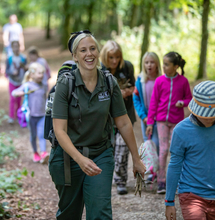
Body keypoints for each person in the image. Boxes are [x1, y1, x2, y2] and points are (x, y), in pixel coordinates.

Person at [49, 30, 146, 220]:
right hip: (68, 158)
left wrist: (136, 158)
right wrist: (79, 159)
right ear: (75, 56)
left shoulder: (109, 82)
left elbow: (124, 122)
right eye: (83, 50)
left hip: (100, 154)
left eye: (93, 48)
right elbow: (59, 130)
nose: (89, 54)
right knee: (70, 214)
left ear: (98, 52)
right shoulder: (65, 84)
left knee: (100, 213)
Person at [165, 81, 215, 220]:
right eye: (205, 115)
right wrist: (169, 201)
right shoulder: (181, 130)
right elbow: (174, 166)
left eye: (213, 114)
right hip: (191, 194)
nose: (209, 118)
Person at [146, 51, 192, 193]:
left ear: (176, 66)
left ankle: (177, 181)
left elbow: (189, 99)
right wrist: (149, 122)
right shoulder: (160, 81)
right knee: (164, 150)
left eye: (167, 64)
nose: (163, 67)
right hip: (161, 122)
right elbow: (154, 102)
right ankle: (161, 181)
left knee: (175, 151)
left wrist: (182, 103)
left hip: (176, 122)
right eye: (163, 64)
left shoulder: (183, 81)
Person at [99, 40, 136, 195]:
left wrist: (127, 92)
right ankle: (105, 179)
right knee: (109, 150)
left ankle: (121, 180)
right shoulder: (99, 70)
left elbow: (134, 86)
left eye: (117, 57)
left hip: (125, 114)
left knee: (123, 148)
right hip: (106, 118)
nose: (114, 61)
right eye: (111, 57)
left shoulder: (127, 67)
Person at [12, 62, 49, 163]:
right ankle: (35, 152)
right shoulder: (27, 85)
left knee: (41, 135)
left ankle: (43, 153)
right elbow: (13, 93)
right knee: (33, 135)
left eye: (42, 73)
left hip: (42, 115)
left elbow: (45, 98)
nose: (41, 75)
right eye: (39, 73)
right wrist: (18, 93)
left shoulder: (44, 85)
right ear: (32, 75)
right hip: (31, 116)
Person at [133, 51, 161, 182]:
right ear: (143, 64)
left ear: (157, 64)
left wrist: (156, 116)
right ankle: (150, 171)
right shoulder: (140, 80)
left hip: (159, 118)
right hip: (145, 119)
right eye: (146, 62)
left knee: (157, 143)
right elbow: (136, 99)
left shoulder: (161, 79)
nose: (149, 65)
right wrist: (143, 116)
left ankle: (159, 172)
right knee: (148, 144)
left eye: (152, 62)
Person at [5, 41, 27, 124]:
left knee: (19, 99)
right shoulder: (9, 58)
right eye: (14, 46)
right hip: (12, 81)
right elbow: (6, 70)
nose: (16, 48)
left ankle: (19, 116)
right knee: (12, 99)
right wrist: (12, 73)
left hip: (21, 81)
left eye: (17, 46)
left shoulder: (23, 58)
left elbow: (26, 69)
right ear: (11, 47)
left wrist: (24, 67)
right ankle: (11, 117)